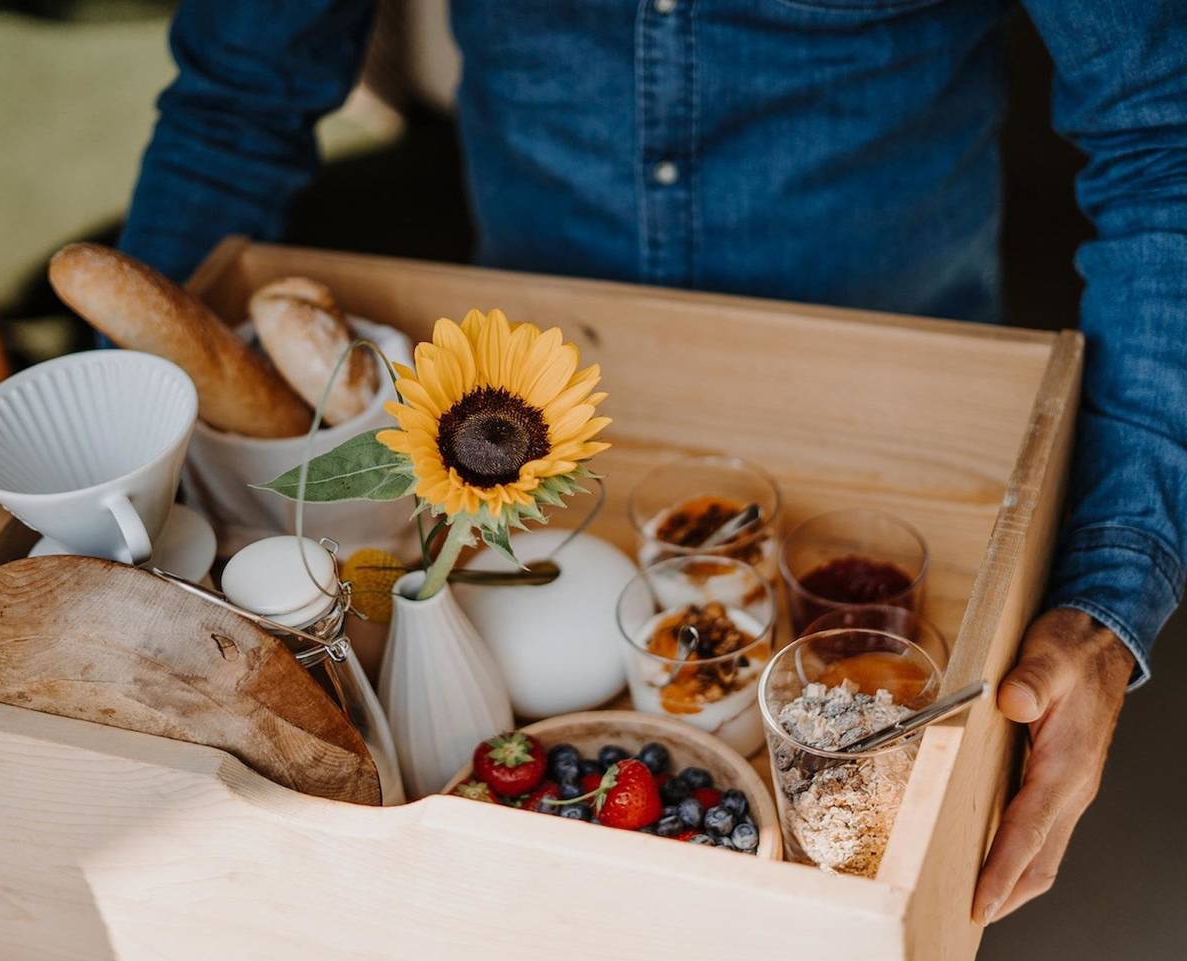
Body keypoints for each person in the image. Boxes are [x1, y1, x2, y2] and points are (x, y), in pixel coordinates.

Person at [118, 0, 1185, 923]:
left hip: (897, 415)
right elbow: (235, 103)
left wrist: (1108, 585)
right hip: (523, 426)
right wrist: (114, 467)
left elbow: (1160, 146)